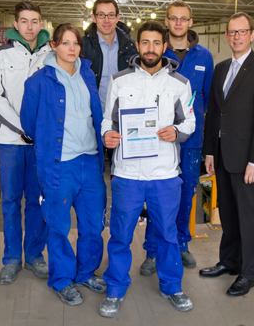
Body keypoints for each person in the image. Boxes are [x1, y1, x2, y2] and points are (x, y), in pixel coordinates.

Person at [99, 21, 196, 318]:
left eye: (156, 43)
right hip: (127, 174)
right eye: (145, 43)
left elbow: (190, 122)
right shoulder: (120, 80)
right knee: (120, 235)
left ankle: (172, 286)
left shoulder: (179, 83)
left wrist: (176, 132)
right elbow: (108, 120)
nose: (150, 48)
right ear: (137, 46)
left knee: (167, 235)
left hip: (164, 174)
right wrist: (107, 135)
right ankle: (115, 289)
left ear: (164, 47)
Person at [20, 24, 107, 305]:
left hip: (90, 161)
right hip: (60, 164)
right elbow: (28, 123)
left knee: (93, 224)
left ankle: (85, 272)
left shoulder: (87, 74)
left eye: (76, 43)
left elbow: (95, 113)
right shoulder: (39, 81)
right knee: (58, 226)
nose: (72, 48)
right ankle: (62, 280)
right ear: (54, 46)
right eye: (65, 43)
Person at [200, 12, 254, 297]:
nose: (236, 37)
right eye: (232, 32)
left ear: (252, 35)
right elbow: (214, 114)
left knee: (247, 217)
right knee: (229, 215)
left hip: (247, 160)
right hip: (222, 155)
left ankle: (249, 273)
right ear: (226, 36)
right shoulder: (221, 68)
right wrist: (209, 151)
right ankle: (229, 261)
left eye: (241, 32)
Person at [140, 1, 214, 275]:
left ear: (191, 22)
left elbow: (208, 100)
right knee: (155, 194)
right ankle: (153, 249)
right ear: (167, 21)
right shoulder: (156, 50)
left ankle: (181, 244)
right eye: (174, 19)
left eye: (184, 19)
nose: (179, 23)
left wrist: (207, 142)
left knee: (185, 195)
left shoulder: (204, 57)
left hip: (191, 142)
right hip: (158, 138)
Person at [0, 1, 50, 285]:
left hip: (40, 142)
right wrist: (22, 127)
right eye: (24, 21)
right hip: (11, 141)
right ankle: (12, 258)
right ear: (15, 24)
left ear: (41, 24)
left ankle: (35, 255)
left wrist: (40, 130)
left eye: (34, 21)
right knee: (11, 201)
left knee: (37, 200)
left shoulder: (51, 54)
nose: (29, 26)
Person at [82, 0, 138, 113]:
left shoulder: (133, 48)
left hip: (124, 115)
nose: (106, 20)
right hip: (93, 116)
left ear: (117, 18)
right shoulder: (82, 47)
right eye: (101, 15)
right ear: (94, 18)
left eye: (111, 15)